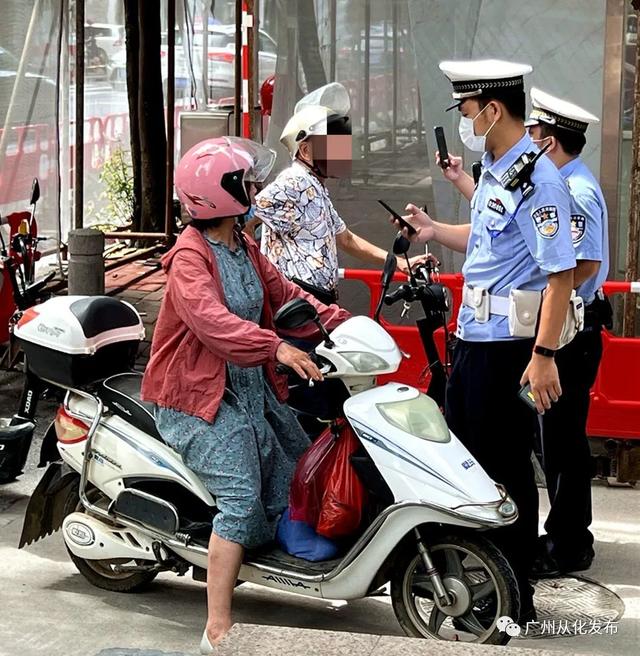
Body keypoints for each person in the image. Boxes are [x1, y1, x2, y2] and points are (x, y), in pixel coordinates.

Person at [140, 137, 349, 653]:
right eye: (245, 183)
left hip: (250, 388)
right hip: (196, 398)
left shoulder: (243, 244)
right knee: (240, 498)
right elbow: (213, 325)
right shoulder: (189, 259)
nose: (255, 189)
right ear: (221, 193)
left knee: (302, 467)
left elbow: (284, 293)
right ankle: (217, 628)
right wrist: (276, 348)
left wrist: (339, 322)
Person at [394, 60, 577, 623]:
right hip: (474, 341)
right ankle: (480, 576)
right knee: (471, 465)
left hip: (507, 351)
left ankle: (512, 599)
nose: (465, 120)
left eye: (466, 110)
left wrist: (544, 357)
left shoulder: (539, 179)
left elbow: (560, 274)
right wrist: (431, 231)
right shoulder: (499, 169)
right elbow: (486, 235)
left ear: (492, 109)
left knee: (506, 470)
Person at [524, 88, 610, 577]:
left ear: (550, 141)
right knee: (553, 438)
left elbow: (585, 263)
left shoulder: (573, 189)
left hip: (572, 331)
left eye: (533, 135)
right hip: (570, 325)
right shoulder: (568, 181)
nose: (528, 143)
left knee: (559, 441)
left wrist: (547, 294)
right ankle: (566, 532)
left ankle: (569, 543)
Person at [256, 82, 425, 306]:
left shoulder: (316, 187)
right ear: (305, 150)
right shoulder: (293, 181)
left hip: (317, 302)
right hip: (296, 301)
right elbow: (249, 217)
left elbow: (346, 238)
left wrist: (398, 263)